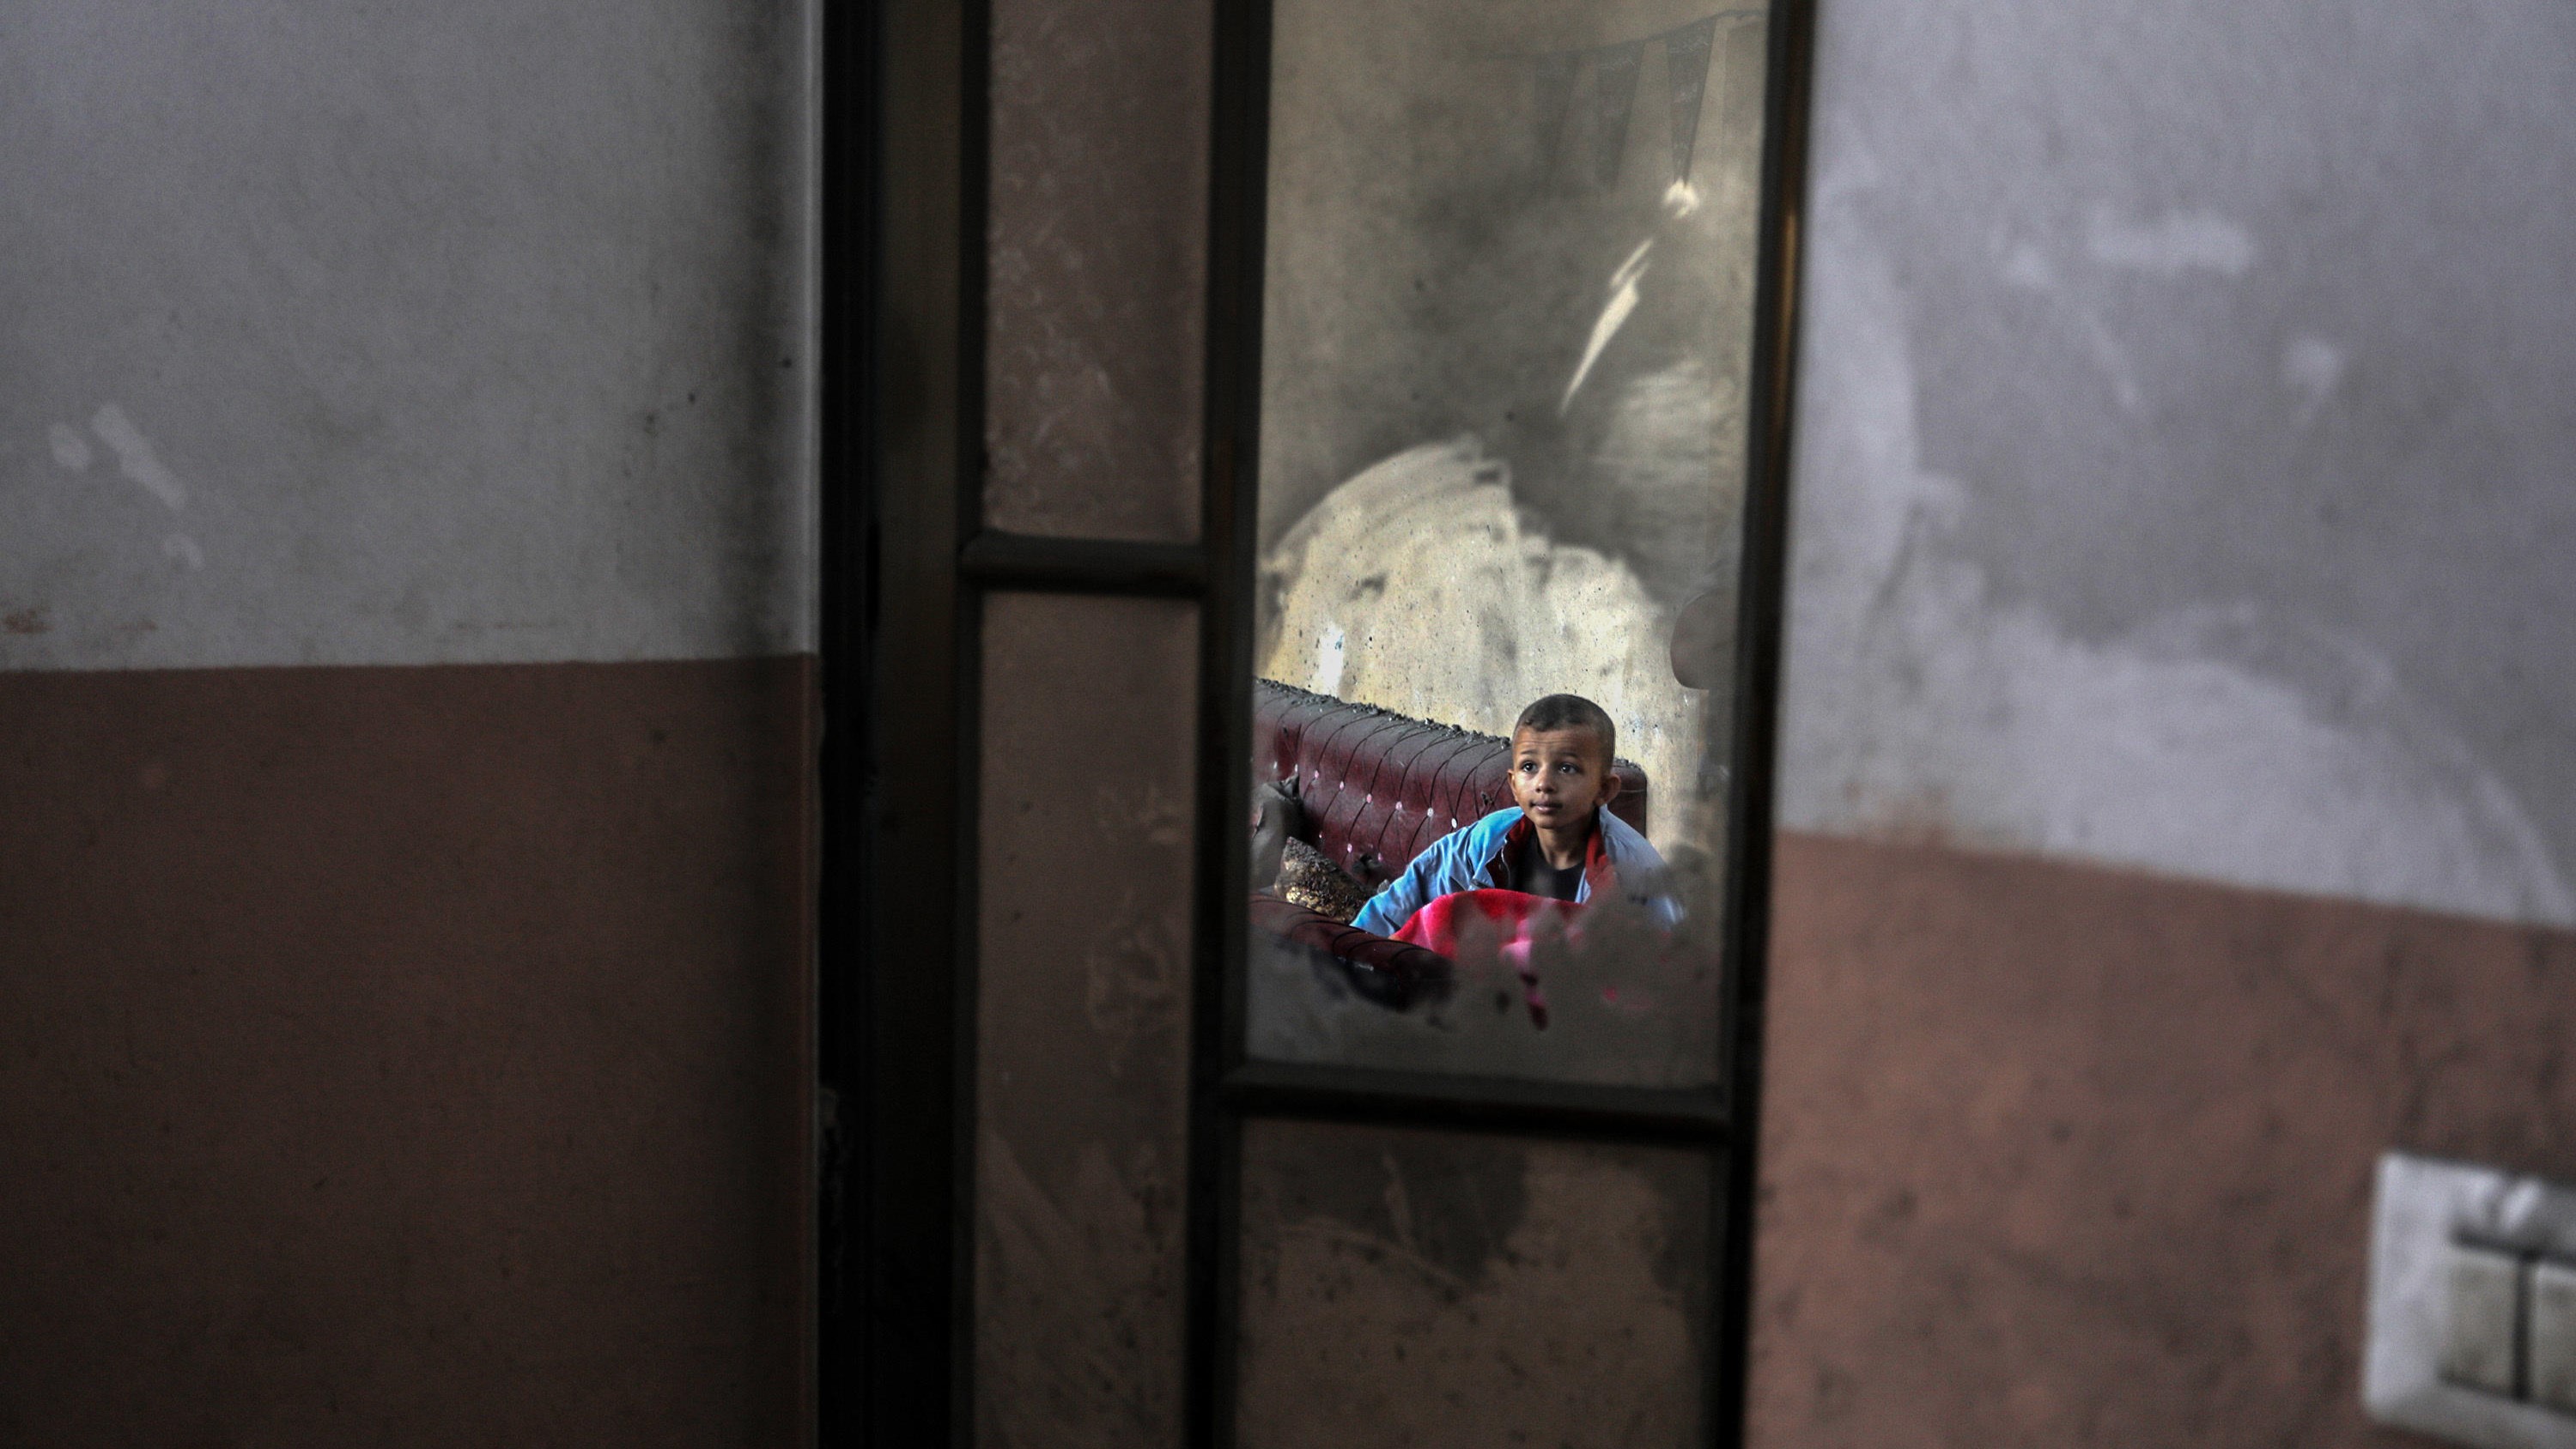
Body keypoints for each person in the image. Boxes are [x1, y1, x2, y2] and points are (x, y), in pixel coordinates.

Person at [1350, 694, 1680, 936]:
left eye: (1567, 768)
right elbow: (1399, 904)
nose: (1544, 784)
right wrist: (1350, 959)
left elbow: (1664, 975)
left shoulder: (1633, 872)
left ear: (1604, 790)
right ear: (1512, 783)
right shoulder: (1489, 840)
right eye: (1529, 767)